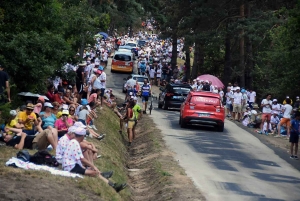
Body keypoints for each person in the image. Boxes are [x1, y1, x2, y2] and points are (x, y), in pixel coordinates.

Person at [62, 127, 127, 192]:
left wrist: (90, 167)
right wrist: (93, 166)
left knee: (92, 170)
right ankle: (113, 186)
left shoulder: (74, 142)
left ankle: (113, 185)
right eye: (84, 136)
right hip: (71, 167)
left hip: (71, 165)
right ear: (81, 136)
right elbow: (82, 159)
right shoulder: (75, 143)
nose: (84, 138)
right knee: (94, 173)